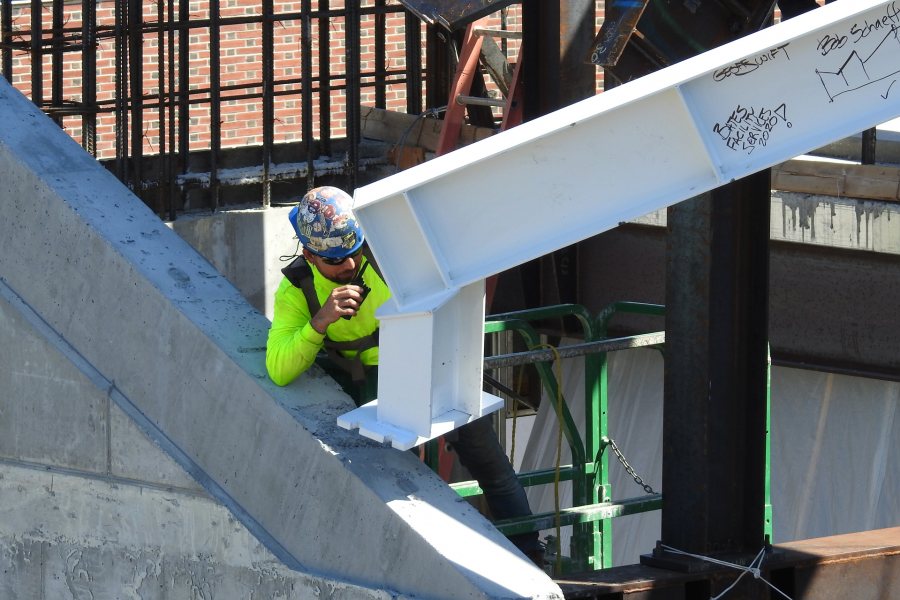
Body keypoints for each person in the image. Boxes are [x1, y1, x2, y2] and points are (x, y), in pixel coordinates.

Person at [266, 186, 543, 564]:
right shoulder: (297, 290)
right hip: (367, 385)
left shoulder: (389, 260)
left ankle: (531, 554)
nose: (348, 266)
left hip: (428, 365)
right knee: (394, 484)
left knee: (489, 464)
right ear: (309, 255)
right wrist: (320, 322)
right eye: (336, 261)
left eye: (353, 253)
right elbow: (279, 369)